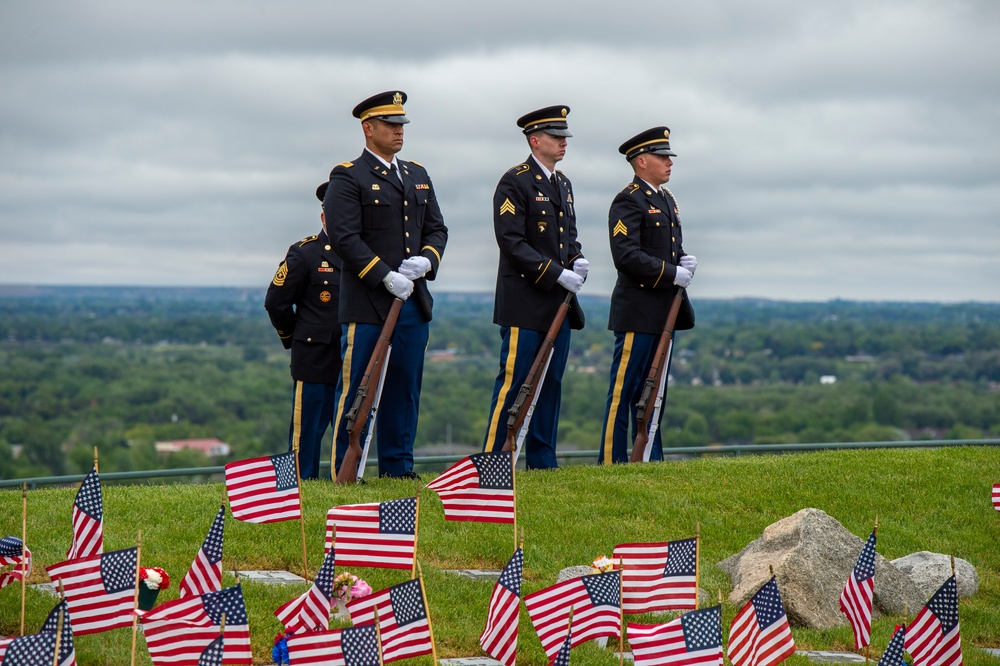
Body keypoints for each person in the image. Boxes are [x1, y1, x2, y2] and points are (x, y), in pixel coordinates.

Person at [323, 90, 448, 479]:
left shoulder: (417, 175)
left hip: (412, 303)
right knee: (359, 391)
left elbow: (437, 228)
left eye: (401, 125)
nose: (399, 132)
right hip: (369, 304)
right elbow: (344, 237)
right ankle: (348, 470)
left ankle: (399, 466)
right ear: (368, 128)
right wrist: (385, 275)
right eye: (391, 125)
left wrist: (427, 259)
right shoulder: (348, 176)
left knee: (404, 392)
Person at [482, 105, 587, 470]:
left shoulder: (563, 184)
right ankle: (494, 462)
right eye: (557, 137)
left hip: (557, 303)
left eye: (564, 138)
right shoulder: (516, 181)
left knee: (551, 384)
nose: (563, 143)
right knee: (515, 383)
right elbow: (511, 241)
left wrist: (577, 259)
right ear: (535, 139)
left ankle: (543, 461)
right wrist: (556, 272)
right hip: (525, 301)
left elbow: (566, 237)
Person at [599, 126, 697, 464]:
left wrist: (682, 259)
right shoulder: (628, 199)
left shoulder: (667, 200)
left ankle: (651, 458)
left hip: (664, 312)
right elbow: (625, 255)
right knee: (623, 392)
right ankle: (611, 460)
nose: (669, 162)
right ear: (641, 161)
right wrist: (672, 272)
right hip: (637, 311)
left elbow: (668, 248)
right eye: (662, 156)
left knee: (654, 393)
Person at [264, 181, 343, 480]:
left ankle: (347, 484)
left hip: (354, 361)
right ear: (324, 217)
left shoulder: (365, 254)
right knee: (305, 436)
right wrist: (295, 339)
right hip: (315, 360)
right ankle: (299, 488)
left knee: (352, 435)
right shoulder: (305, 253)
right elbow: (276, 303)